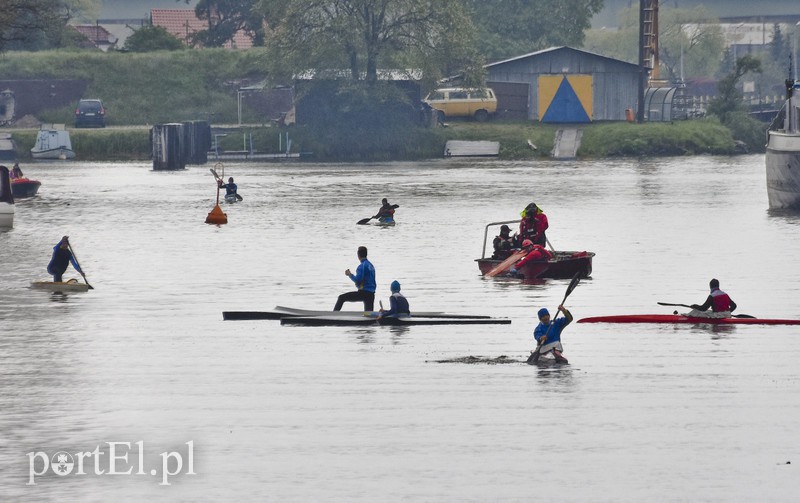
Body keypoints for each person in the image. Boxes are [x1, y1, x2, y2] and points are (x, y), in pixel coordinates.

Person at [334, 246, 377, 311]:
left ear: (358, 255)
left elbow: (357, 281)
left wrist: (350, 274)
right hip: (371, 293)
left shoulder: (362, 266)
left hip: (363, 293)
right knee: (368, 314)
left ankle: (334, 316)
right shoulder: (371, 266)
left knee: (341, 298)